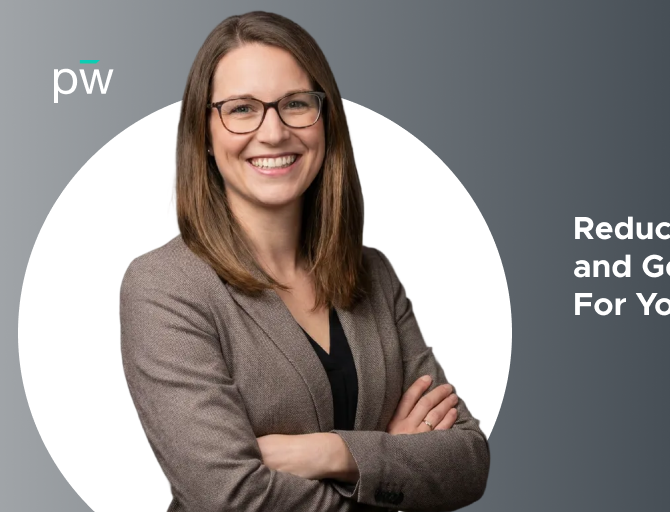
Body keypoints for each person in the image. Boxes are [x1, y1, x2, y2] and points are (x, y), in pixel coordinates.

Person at [119, 11, 489, 512]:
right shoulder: (165, 287)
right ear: (203, 133)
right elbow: (230, 499)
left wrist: (329, 453)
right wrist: (391, 459)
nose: (273, 133)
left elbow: (467, 460)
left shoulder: (373, 275)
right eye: (242, 109)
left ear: (325, 119)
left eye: (295, 104)